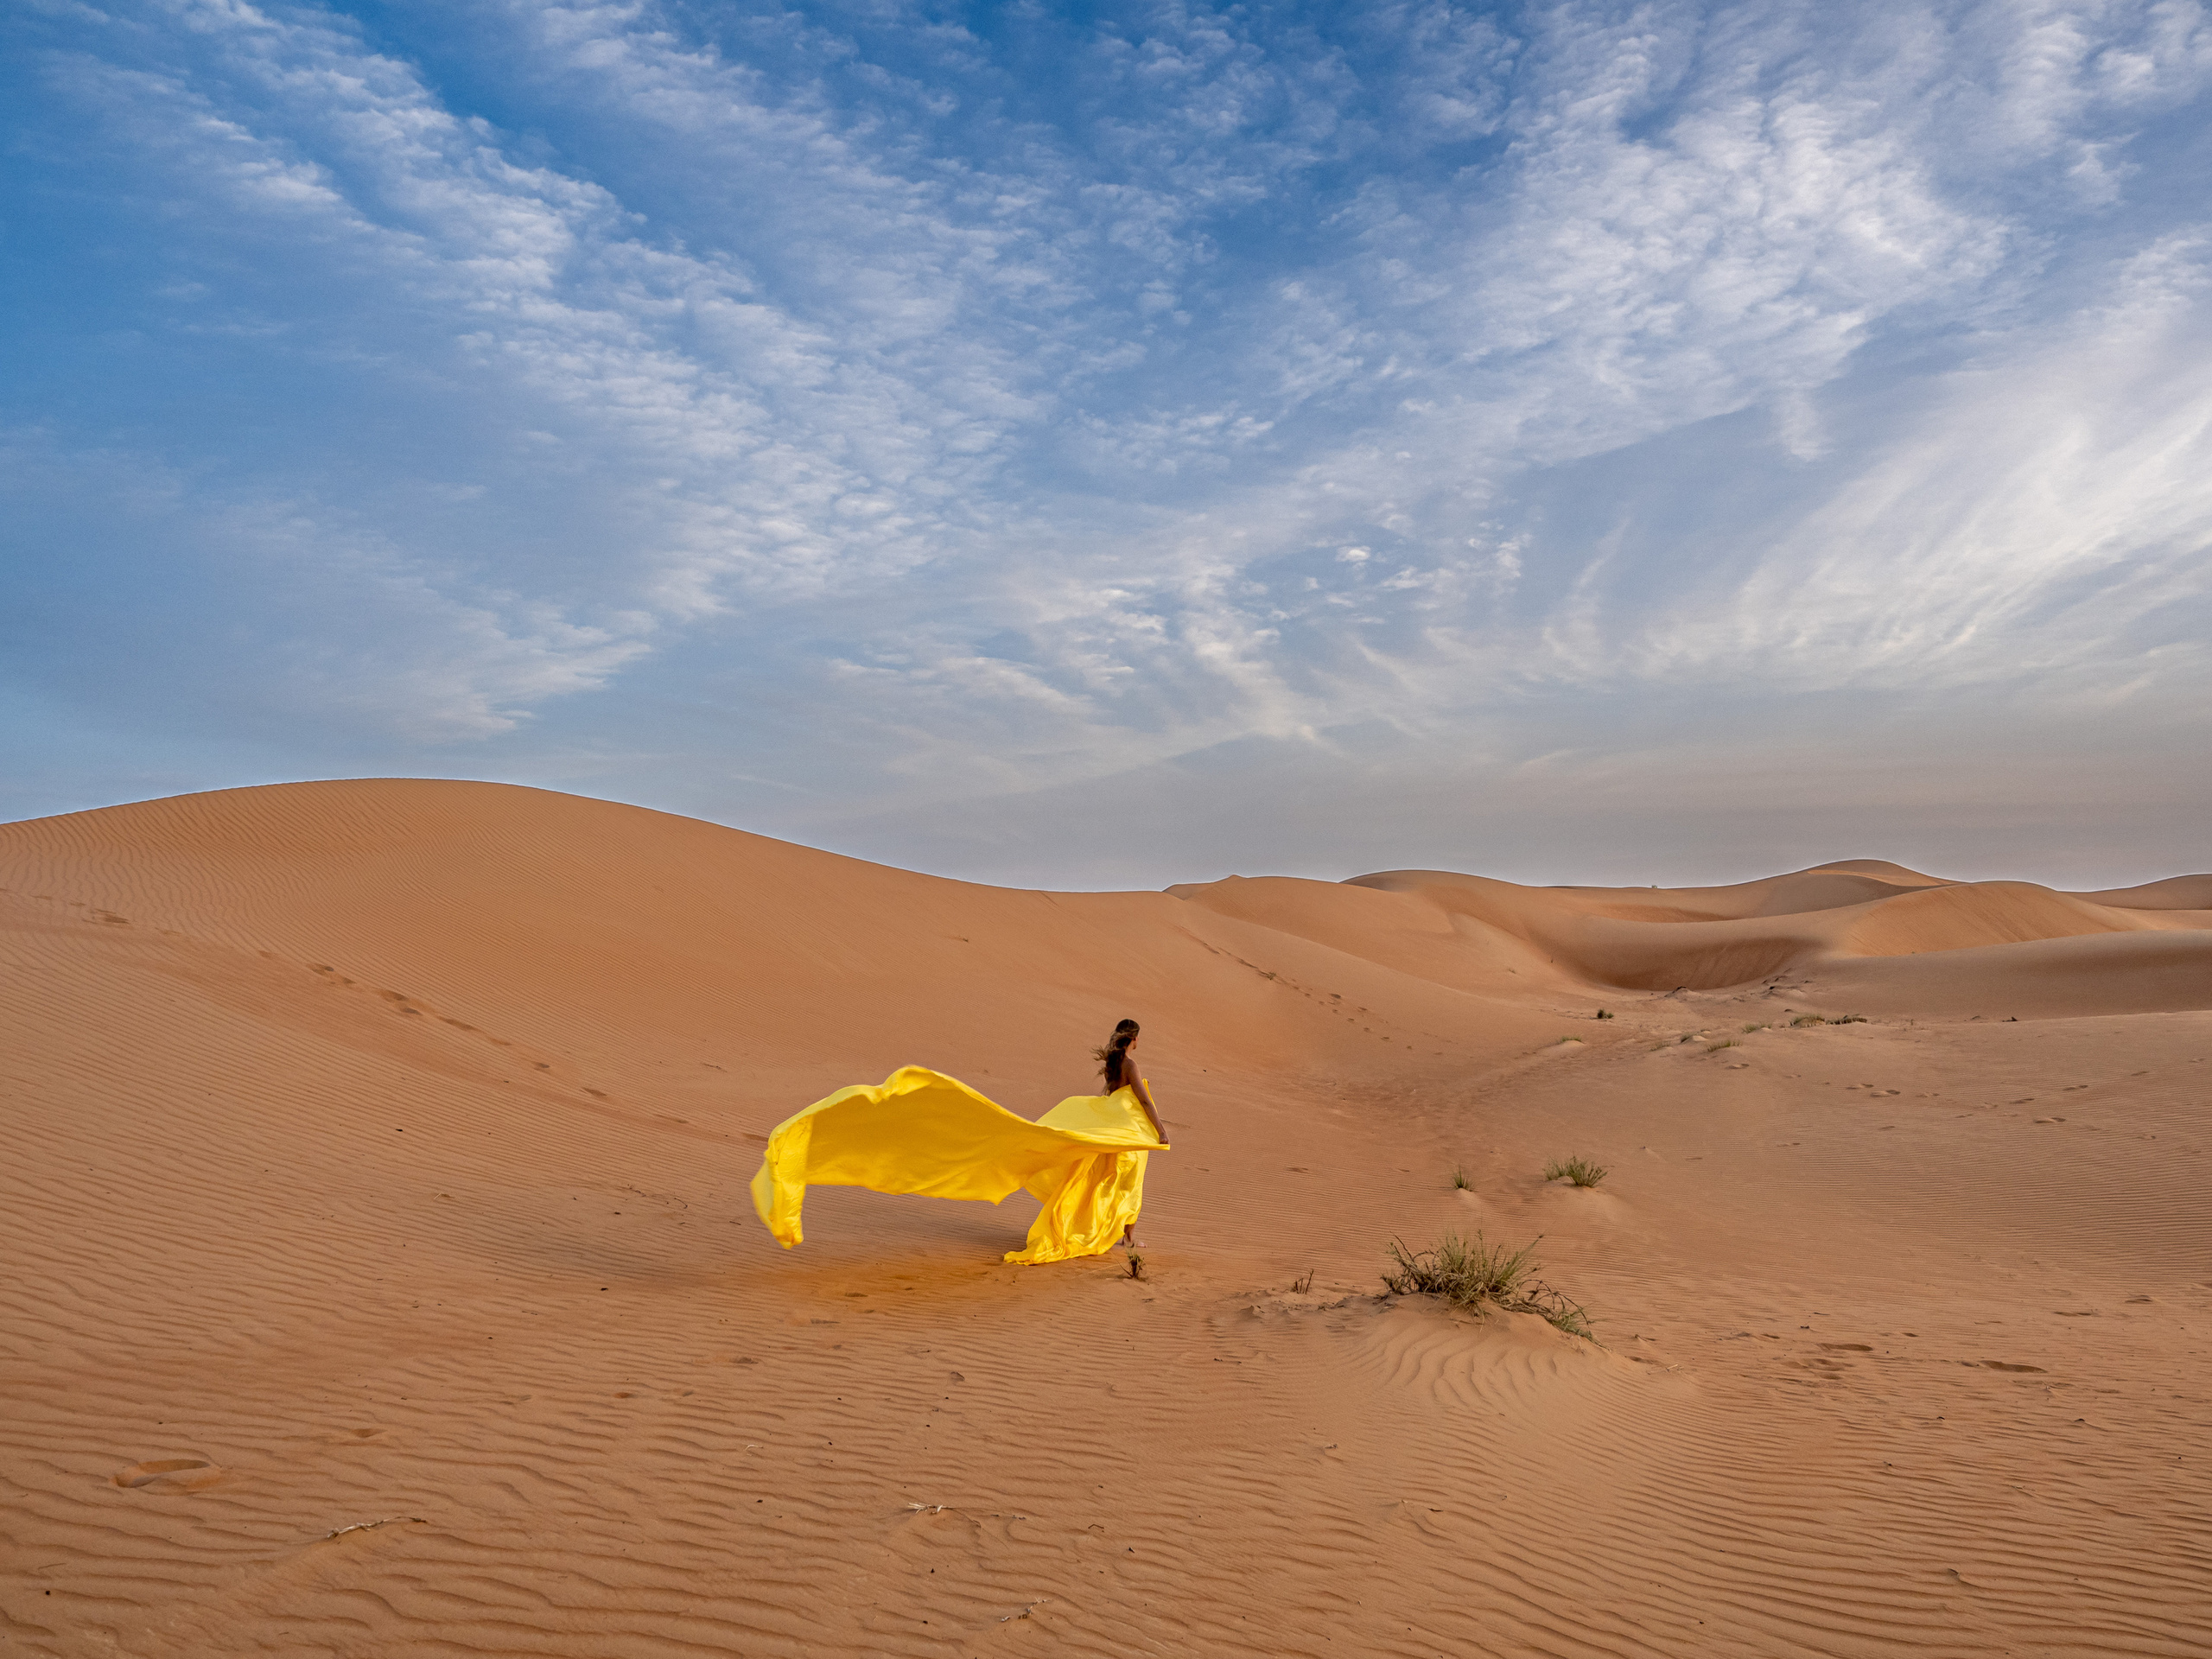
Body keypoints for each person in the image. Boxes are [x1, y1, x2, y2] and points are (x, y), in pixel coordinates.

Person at [1093, 1017, 1165, 1249]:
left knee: (1113, 1182)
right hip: (1130, 1132)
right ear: (1134, 1038)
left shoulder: (1112, 1065)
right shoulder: (1130, 1065)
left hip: (1113, 1129)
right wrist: (1161, 1130)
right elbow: (1143, 1100)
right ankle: (1128, 1237)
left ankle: (1106, 1230)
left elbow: (1115, 1096)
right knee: (1133, 1184)